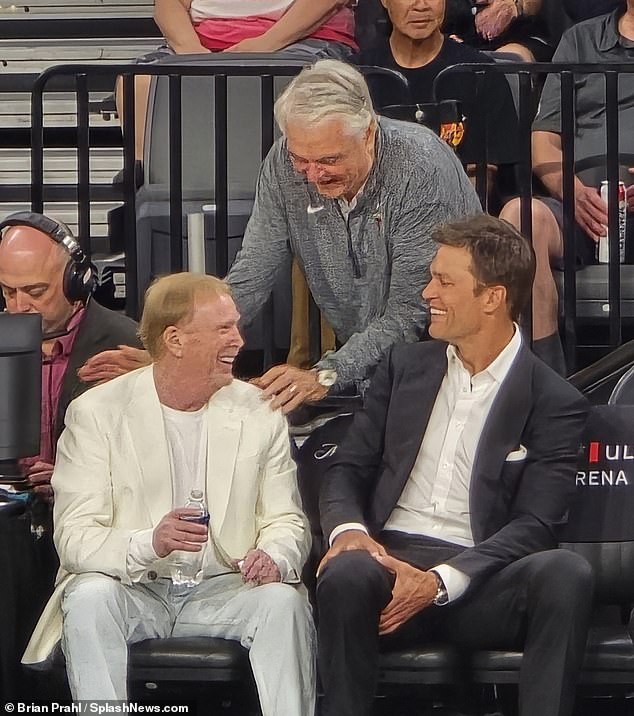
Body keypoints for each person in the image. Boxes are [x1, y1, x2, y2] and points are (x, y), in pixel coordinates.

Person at [315, 214, 593, 716]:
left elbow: (536, 526)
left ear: (492, 298)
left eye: (444, 281)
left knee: (565, 573)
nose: (427, 293)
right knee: (346, 572)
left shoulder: (553, 400)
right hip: (387, 565)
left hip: (480, 578)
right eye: (430, 277)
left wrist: (441, 580)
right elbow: (347, 469)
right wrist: (350, 532)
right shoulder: (404, 367)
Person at [88, 59, 482, 412]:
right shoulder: (282, 163)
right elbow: (252, 272)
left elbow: (413, 313)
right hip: (368, 372)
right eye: (301, 159)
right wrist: (185, 349)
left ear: (367, 134)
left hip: (450, 367)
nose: (312, 175)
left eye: (329, 160)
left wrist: (326, 374)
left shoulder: (420, 168)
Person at [22, 273, 315, 715]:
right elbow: (76, 538)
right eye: (223, 329)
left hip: (225, 586)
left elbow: (287, 520)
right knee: (87, 596)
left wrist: (274, 554)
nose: (239, 340)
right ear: (175, 339)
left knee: (283, 602)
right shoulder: (96, 414)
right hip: (134, 587)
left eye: (235, 326)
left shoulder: (258, 412)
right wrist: (149, 542)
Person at [500, 1, 634, 375]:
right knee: (519, 217)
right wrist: (571, 192)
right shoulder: (581, 41)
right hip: (583, 203)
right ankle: (544, 384)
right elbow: (543, 139)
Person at [0, 212, 141, 500]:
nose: (20, 305)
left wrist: (74, 479)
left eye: (35, 291)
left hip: (94, 523)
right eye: (8, 291)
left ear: (75, 282)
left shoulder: (129, 346)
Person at [121, 0, 357, 161]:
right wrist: (192, 52)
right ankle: (148, 185)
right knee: (138, 83)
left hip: (299, 39)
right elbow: (168, 6)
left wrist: (265, 44)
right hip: (202, 42)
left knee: (294, 81)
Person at [358, 0, 520, 206]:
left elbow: (482, 177)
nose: (421, 6)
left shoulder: (479, 73)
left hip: (455, 217)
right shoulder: (357, 75)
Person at [444, 0, 552, 62]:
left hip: (519, 36)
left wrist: (512, 7)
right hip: (460, 40)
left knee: (512, 58)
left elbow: (532, 5)